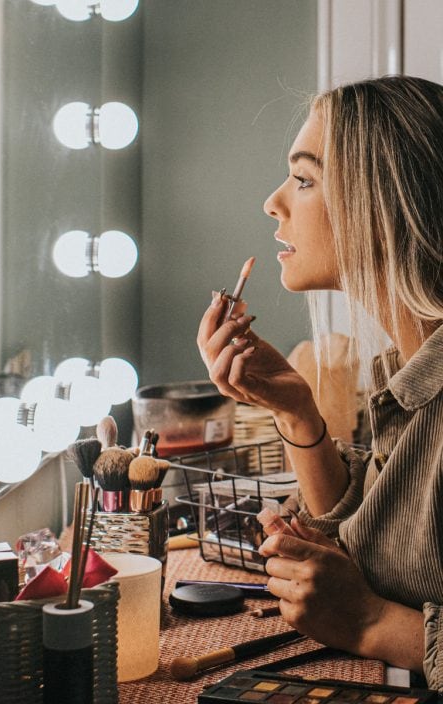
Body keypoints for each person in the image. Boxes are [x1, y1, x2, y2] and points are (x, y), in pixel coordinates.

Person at [197, 75, 443, 690]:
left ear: (382, 206)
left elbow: (372, 600)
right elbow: (379, 553)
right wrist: (296, 414)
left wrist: (370, 624)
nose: (273, 202)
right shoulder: (405, 372)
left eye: (304, 179)